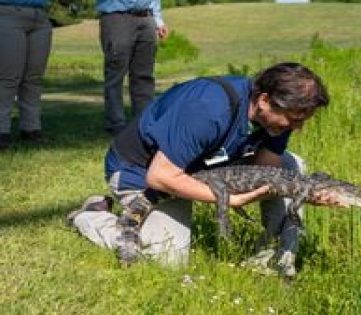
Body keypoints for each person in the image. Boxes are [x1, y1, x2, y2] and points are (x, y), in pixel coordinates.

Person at [68, 62, 338, 277]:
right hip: (143, 171)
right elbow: (160, 175)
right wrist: (227, 200)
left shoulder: (275, 121)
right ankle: (91, 216)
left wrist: (308, 193)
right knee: (168, 259)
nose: (296, 128)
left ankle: (273, 259)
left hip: (200, 170)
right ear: (265, 99)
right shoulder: (210, 107)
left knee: (292, 167)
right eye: (293, 119)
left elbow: (267, 174)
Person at [97, 0, 169, 136]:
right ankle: (115, 123)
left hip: (146, 18)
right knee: (116, 74)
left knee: (144, 75)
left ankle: (144, 122)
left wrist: (158, 20)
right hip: (117, 16)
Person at [0, 0, 52, 150]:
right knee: (8, 78)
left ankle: (31, 129)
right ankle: (2, 130)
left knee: (34, 78)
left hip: (40, 16)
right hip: (8, 13)